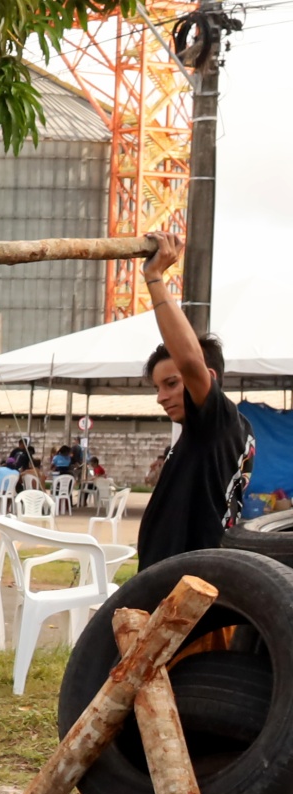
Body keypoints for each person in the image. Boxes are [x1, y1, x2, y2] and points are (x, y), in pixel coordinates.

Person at [136, 232, 252, 566]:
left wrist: (155, 277)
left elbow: (189, 360)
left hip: (187, 584)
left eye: (171, 383)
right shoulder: (213, 434)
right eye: (158, 387)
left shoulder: (220, 420)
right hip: (172, 580)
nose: (161, 397)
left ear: (208, 378)